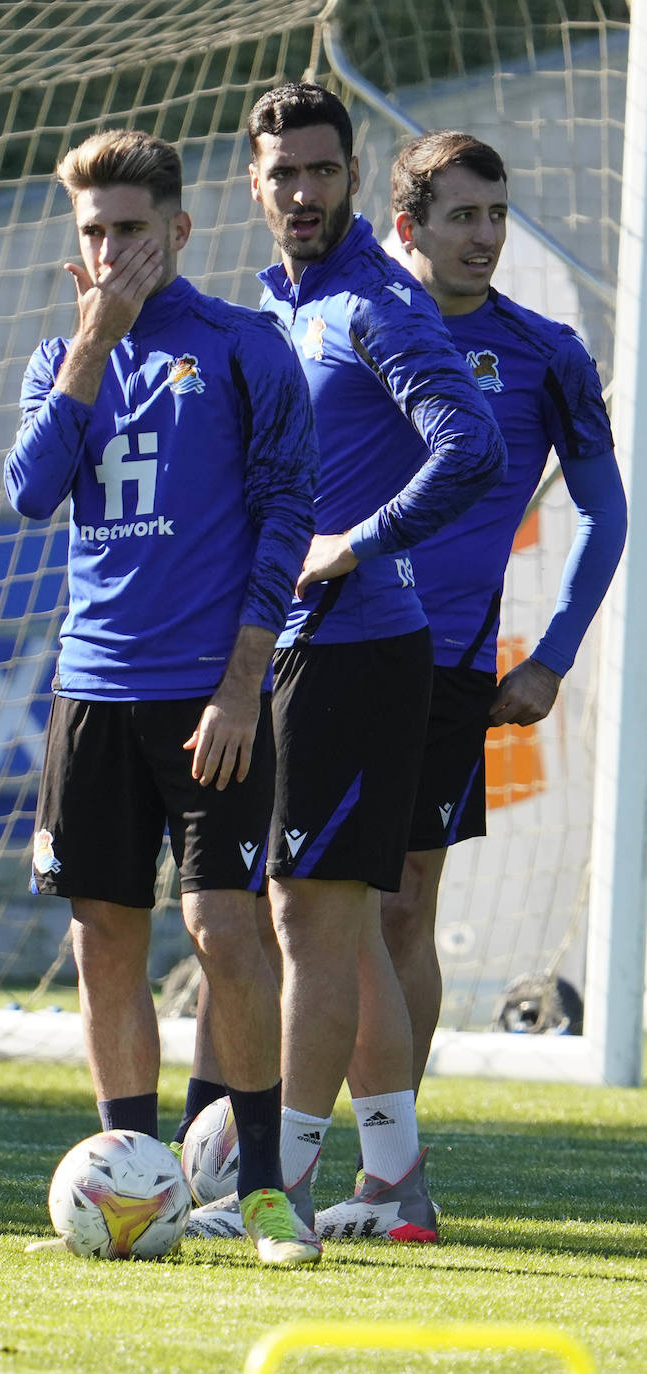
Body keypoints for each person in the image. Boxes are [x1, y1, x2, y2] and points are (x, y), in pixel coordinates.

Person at [184, 83, 507, 1247]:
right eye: (284, 175)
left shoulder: (375, 301)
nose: (305, 192)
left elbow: (469, 445)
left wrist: (356, 544)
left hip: (363, 650)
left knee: (311, 917)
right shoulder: (277, 307)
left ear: (355, 178)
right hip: (285, 649)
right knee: (329, 924)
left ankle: (284, 1190)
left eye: (323, 172)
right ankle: (394, 1182)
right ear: (255, 184)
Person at [4, 129, 322, 1265]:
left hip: (209, 696)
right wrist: (93, 343)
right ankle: (132, 1182)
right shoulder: (61, 358)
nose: (111, 248)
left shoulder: (246, 348)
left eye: (131, 229)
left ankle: (271, 1194)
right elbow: (32, 493)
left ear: (180, 232)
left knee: (224, 930)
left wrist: (246, 686)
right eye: (93, 231)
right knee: (101, 936)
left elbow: (288, 516)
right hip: (89, 689)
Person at [334, 131, 627, 1122]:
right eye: (464, 215)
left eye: (496, 214)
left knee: (402, 909)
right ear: (407, 225)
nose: (487, 235)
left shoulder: (548, 357)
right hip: (317, 650)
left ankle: (387, 1158)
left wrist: (550, 658)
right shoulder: (347, 322)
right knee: (308, 912)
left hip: (445, 664)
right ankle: (273, 1143)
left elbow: (606, 510)